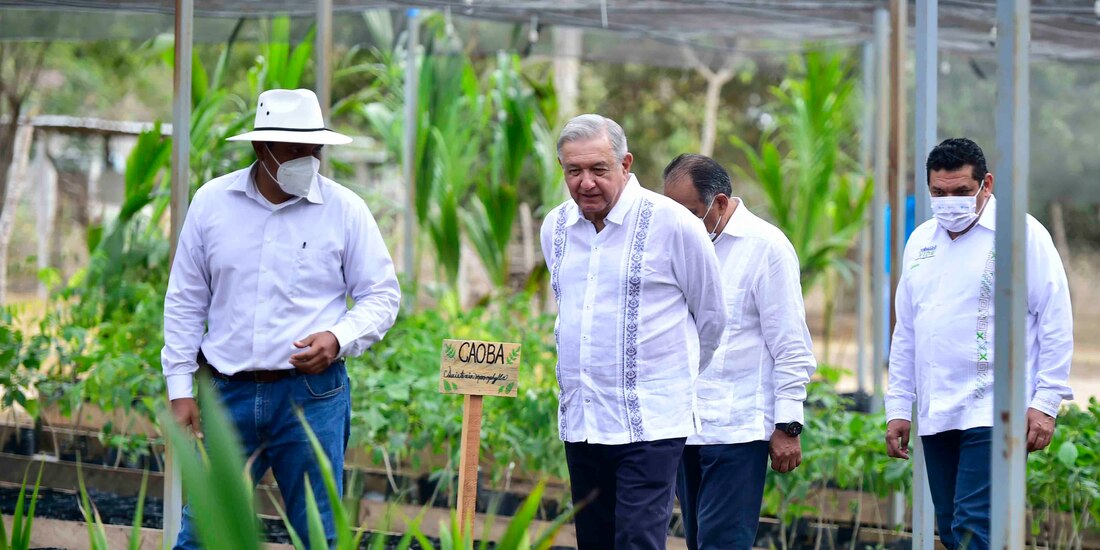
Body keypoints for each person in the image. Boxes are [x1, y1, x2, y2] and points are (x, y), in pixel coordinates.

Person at [162, 88, 401, 549]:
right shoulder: (212, 204)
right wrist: (179, 388)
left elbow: (381, 295)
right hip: (226, 393)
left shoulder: (345, 209)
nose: (308, 160)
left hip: (310, 397)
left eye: (316, 150)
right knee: (203, 533)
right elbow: (185, 300)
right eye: (295, 150)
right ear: (261, 148)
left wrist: (338, 335)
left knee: (318, 535)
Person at [539, 115, 726, 550]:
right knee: (594, 540)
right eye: (574, 171)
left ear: (625, 164)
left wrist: (669, 379)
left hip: (650, 423)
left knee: (638, 540)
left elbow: (711, 317)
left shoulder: (673, 224)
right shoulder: (557, 228)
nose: (586, 182)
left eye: (598, 170)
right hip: (583, 420)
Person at [885, 137, 1073, 550]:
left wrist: (1045, 401)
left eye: (961, 192)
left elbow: (1054, 317)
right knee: (953, 529)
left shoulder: (1019, 234)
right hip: (938, 410)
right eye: (939, 193)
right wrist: (899, 406)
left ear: (986, 184)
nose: (949, 200)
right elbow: (908, 331)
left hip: (996, 408)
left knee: (974, 526)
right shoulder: (920, 242)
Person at [662, 154, 817, 550]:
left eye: (689, 213)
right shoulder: (679, 245)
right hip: (684, 427)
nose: (680, 224)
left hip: (737, 428)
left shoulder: (767, 248)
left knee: (723, 543)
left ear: (718, 203)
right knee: (698, 541)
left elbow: (791, 346)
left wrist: (788, 424)